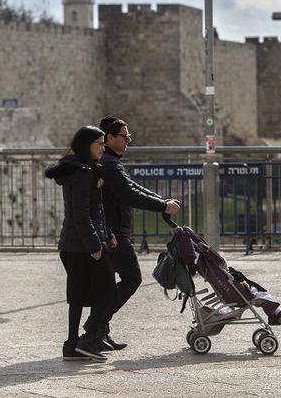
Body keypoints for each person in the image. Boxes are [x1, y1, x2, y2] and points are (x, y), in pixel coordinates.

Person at [98, 115, 181, 350]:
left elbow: (132, 186)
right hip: (113, 233)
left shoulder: (111, 162)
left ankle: (99, 330)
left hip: (114, 230)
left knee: (110, 283)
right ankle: (95, 328)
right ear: (109, 137)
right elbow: (129, 194)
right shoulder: (109, 164)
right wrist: (162, 206)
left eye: (128, 137)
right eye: (124, 137)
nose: (128, 141)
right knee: (132, 278)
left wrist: (160, 200)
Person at [45, 126, 118, 361]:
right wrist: (95, 246)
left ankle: (72, 345)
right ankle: (86, 341)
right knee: (108, 292)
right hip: (82, 246)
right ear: (87, 145)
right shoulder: (83, 172)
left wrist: (107, 232)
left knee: (78, 297)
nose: (102, 148)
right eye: (99, 143)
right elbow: (82, 214)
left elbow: (95, 210)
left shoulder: (83, 170)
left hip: (74, 244)